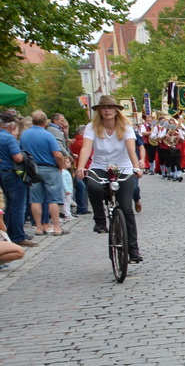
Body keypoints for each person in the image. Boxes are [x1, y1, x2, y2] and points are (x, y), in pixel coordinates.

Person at [72, 94, 143, 263]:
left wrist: (136, 168)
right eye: (103, 108)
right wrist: (81, 167)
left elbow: (131, 149)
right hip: (100, 166)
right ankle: (100, 220)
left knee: (126, 209)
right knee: (93, 186)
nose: (107, 111)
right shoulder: (92, 127)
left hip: (123, 167)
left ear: (116, 110)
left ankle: (133, 250)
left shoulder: (125, 126)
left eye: (110, 108)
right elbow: (86, 149)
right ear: (99, 111)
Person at [19, 111, 66, 236]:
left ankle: (39, 227)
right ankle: (56, 227)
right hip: (49, 168)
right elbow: (57, 154)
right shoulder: (48, 135)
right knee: (53, 200)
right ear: (45, 122)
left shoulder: (24, 135)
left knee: (35, 199)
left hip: (32, 169)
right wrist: (60, 166)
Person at [2, 114, 35, 248]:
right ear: (11, 126)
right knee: (18, 207)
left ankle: (6, 234)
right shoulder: (9, 138)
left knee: (5, 206)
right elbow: (18, 158)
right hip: (12, 173)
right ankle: (18, 236)